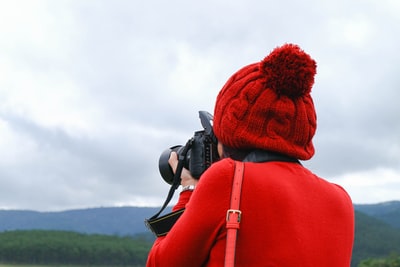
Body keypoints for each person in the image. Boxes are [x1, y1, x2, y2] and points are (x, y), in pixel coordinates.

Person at [146, 43, 354, 267]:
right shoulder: (341, 200)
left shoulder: (227, 178)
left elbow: (161, 263)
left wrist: (189, 188)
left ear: (229, 132)